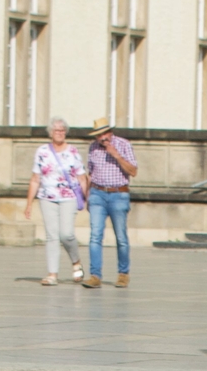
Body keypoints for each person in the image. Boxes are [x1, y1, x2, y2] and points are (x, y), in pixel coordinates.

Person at [26, 118, 88, 286]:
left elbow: (82, 178)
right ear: (50, 133)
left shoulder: (73, 151)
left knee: (66, 234)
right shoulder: (42, 151)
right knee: (52, 236)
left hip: (69, 197)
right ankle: (52, 273)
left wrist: (87, 199)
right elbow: (35, 179)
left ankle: (76, 262)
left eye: (62, 130)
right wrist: (29, 203)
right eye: (56, 130)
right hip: (47, 197)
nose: (59, 133)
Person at [82, 119, 137, 289]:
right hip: (98, 194)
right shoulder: (93, 147)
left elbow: (133, 171)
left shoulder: (123, 144)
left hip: (118, 193)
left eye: (104, 133)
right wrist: (87, 196)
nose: (101, 138)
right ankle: (95, 275)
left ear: (110, 132)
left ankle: (123, 274)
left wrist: (116, 155)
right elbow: (90, 173)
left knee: (121, 237)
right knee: (95, 236)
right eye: (98, 135)